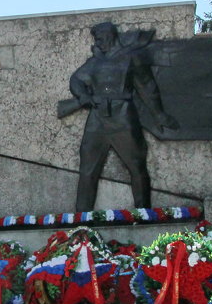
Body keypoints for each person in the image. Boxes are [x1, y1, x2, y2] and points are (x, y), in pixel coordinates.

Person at [61, 21, 177, 211]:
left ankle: (143, 213)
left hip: (123, 117)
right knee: (87, 170)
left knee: (137, 166)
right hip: (97, 119)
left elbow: (147, 88)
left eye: (100, 38)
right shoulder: (94, 62)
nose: (97, 42)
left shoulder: (131, 58)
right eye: (95, 39)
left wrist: (159, 115)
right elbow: (76, 79)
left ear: (110, 35)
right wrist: (83, 96)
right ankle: (82, 220)